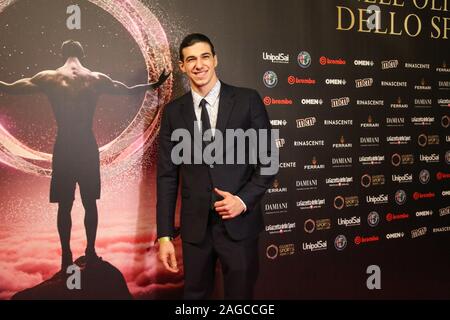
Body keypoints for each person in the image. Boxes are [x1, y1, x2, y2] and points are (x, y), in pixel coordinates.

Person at [0, 40, 169, 271]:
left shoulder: (48, 77)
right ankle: (90, 251)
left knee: (64, 205)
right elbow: (128, 90)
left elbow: (8, 87)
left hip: (65, 146)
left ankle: (66, 256)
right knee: (90, 203)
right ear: (82, 52)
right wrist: (155, 83)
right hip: (86, 146)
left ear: (62, 53)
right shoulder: (96, 78)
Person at [156, 33, 277, 299]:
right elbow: (166, 176)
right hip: (195, 229)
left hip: (239, 224)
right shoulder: (173, 112)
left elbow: (269, 161)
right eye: (191, 59)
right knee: (195, 298)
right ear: (182, 66)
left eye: (204, 57)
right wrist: (164, 235)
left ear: (215, 59)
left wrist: (243, 201)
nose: (199, 65)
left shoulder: (247, 100)